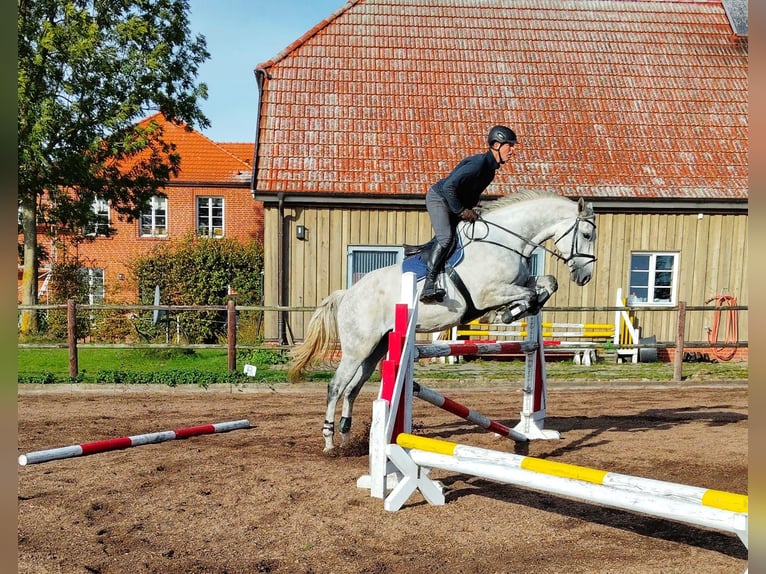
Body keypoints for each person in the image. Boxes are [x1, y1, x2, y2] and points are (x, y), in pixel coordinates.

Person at [420, 125, 518, 303]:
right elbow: (450, 186)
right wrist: (462, 211)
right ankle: (428, 284)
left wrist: (475, 209)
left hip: (453, 201)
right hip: (439, 198)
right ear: (496, 144)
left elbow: (469, 193)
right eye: (509, 145)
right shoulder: (478, 164)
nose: (512, 151)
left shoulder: (489, 170)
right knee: (446, 238)